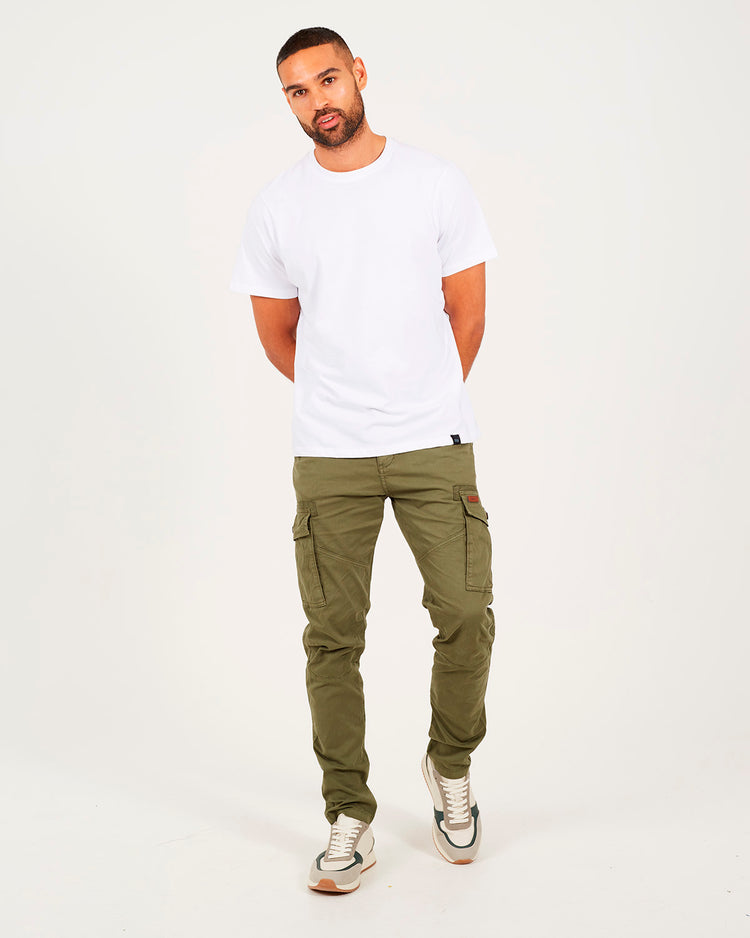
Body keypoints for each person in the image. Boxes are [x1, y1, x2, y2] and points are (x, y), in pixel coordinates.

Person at [229, 26, 497, 893]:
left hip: (433, 443)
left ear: (359, 75)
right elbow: (278, 334)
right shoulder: (278, 206)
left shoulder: (434, 182)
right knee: (333, 639)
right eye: (298, 91)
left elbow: (467, 313)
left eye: (328, 80)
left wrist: (419, 397)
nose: (318, 102)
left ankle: (450, 766)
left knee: (466, 613)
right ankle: (349, 812)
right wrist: (342, 400)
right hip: (330, 454)